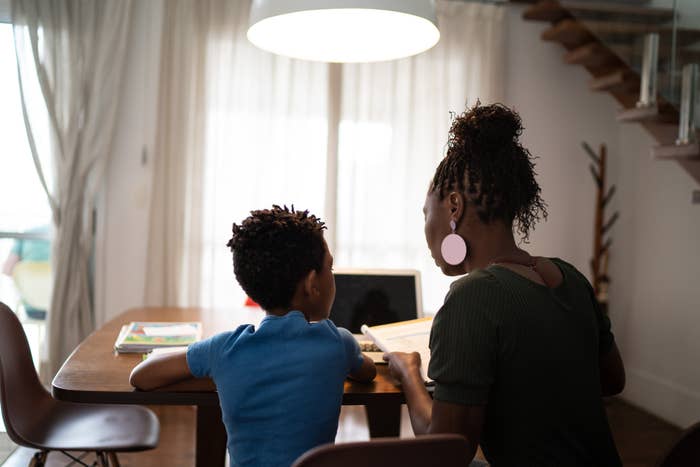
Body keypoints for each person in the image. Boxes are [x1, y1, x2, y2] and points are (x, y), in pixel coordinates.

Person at [384, 103, 625, 466]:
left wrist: (409, 373)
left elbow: (445, 452)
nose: (424, 227)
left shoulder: (472, 296)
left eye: (425, 212)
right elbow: (612, 380)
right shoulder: (571, 276)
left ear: (454, 207)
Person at [130, 205, 376, 467]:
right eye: (331, 268)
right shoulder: (338, 343)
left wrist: (217, 376)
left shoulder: (223, 350)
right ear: (312, 284)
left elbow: (141, 376)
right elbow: (367, 372)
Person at [2, 225, 51, 320]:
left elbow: (7, 269)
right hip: (61, 306)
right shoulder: (65, 234)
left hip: (32, 309)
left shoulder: (25, 235)